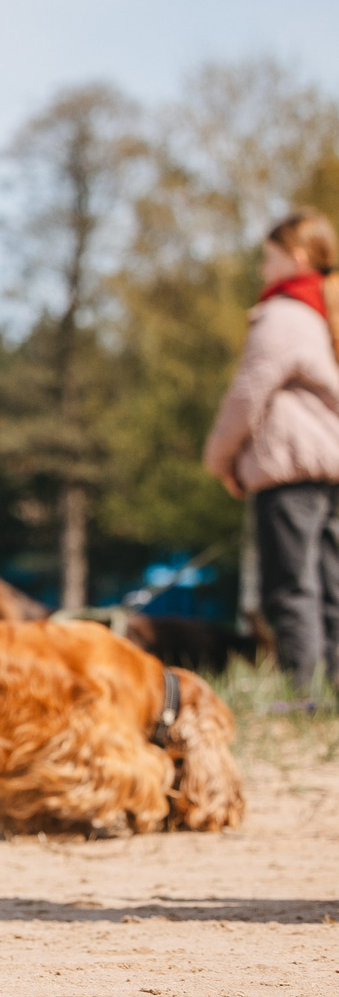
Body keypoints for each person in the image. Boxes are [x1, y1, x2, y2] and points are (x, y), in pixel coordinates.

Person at [204, 209, 339, 700]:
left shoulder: (284, 315)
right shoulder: (324, 312)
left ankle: (305, 697)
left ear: (297, 258)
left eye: (269, 257)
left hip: (290, 470)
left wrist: (220, 459)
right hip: (330, 469)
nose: (263, 268)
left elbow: (248, 393)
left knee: (291, 588)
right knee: (329, 585)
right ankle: (330, 692)